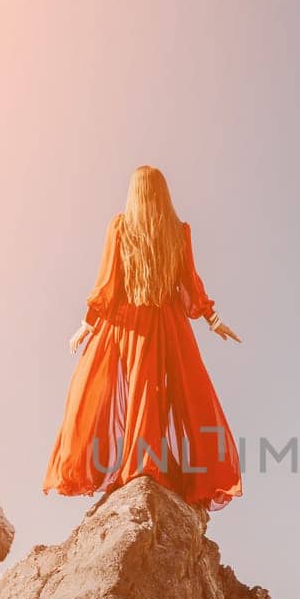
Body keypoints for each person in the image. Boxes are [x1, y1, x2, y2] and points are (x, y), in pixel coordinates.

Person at [43, 166, 243, 509]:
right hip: (168, 324)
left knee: (121, 390)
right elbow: (190, 286)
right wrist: (213, 320)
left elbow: (108, 282)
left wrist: (88, 324)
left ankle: (141, 464)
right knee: (168, 393)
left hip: (128, 323)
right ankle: (154, 465)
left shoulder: (121, 227)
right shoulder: (179, 232)